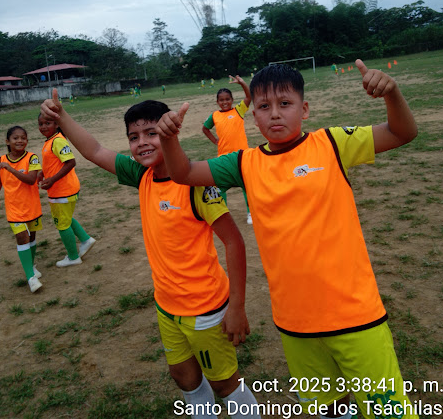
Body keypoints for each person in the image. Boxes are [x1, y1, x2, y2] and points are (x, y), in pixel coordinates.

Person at [156, 60, 419, 419]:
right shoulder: (244, 163)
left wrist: (392, 93)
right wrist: (168, 138)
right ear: (254, 116)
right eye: (264, 106)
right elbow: (184, 172)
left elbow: (402, 133)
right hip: (295, 323)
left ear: (304, 109)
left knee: (388, 410)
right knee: (328, 407)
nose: (275, 114)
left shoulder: (332, 143)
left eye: (285, 103)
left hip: (355, 315)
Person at [40, 92, 261, 419]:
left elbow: (234, 242)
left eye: (151, 133)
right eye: (134, 137)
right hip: (166, 306)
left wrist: (237, 307)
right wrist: (61, 117)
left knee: (225, 384)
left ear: (170, 133)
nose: (142, 143)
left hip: (205, 309)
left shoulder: (196, 183)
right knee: (184, 378)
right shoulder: (141, 175)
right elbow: (95, 151)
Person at [38, 114, 96, 267]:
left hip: (62, 191)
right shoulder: (51, 140)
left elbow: (70, 162)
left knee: (62, 224)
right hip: (66, 189)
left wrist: (52, 179)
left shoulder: (57, 140)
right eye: (40, 124)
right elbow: (54, 162)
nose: (43, 127)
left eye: (47, 123)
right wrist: (43, 172)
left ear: (57, 124)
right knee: (67, 218)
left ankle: (73, 257)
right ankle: (86, 240)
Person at [0, 126, 43, 293]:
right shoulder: (1, 161)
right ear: (8, 141)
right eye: (15, 138)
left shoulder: (32, 158)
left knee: (31, 238)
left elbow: (31, 180)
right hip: (14, 209)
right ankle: (31, 278)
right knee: (22, 238)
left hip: (31, 206)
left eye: (23, 138)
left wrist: (10, 169)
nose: (20, 141)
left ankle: (31, 266)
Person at [202, 76, 252, 224]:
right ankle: (223, 213)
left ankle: (250, 212)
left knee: (246, 185)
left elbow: (249, 97)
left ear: (232, 100)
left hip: (241, 156)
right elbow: (205, 128)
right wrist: (215, 141)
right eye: (221, 100)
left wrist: (242, 83)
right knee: (220, 187)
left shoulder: (238, 110)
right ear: (217, 102)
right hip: (223, 158)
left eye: (227, 99)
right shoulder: (215, 115)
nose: (225, 102)